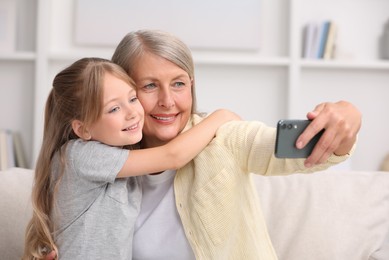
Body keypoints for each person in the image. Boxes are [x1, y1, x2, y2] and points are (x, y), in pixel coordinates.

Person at [44, 30, 361, 259]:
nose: (168, 101)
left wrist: (346, 118)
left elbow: (275, 146)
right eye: (150, 86)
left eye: (179, 84)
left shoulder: (222, 138)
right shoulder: (99, 164)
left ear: (192, 86)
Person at [22, 57, 240, 259]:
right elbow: (172, 156)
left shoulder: (121, 156)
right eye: (114, 108)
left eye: (133, 98)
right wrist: (220, 117)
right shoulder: (81, 155)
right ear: (83, 128)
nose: (132, 112)